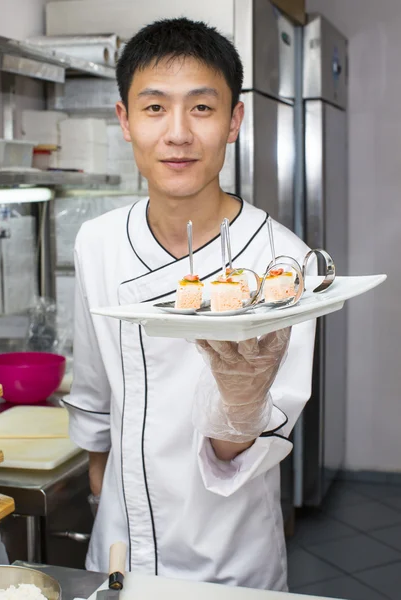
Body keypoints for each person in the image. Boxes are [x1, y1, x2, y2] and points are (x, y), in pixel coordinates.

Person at [64, 17, 316, 592]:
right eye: (154, 108)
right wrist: (104, 490)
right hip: (120, 547)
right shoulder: (98, 242)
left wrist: (242, 400)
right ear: (124, 120)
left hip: (228, 557)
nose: (177, 134)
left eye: (201, 108)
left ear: (234, 121)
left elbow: (248, 448)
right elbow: (97, 391)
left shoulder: (284, 263)